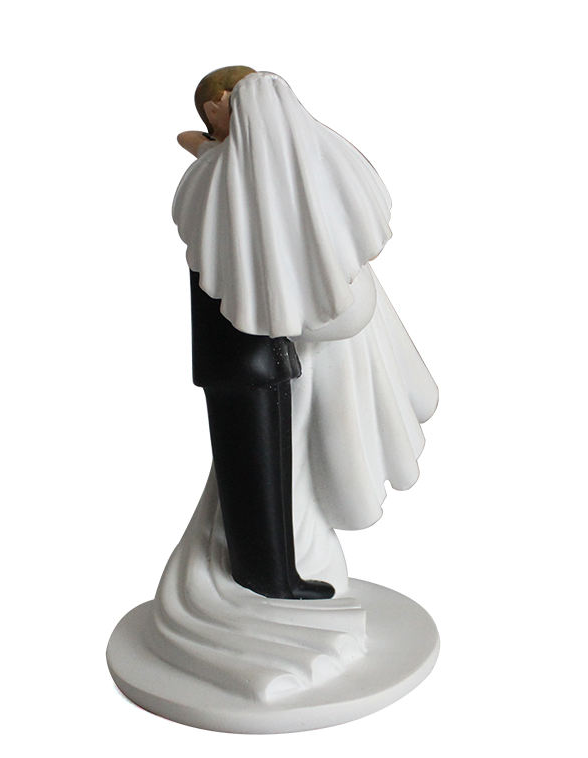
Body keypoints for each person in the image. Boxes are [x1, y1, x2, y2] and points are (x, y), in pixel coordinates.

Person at [147, 69, 437, 698]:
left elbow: (215, 165)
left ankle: (279, 573)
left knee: (273, 468)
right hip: (242, 357)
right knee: (255, 471)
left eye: (214, 110)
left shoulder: (230, 180)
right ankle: (268, 576)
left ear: (222, 108)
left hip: (266, 356)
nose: (209, 123)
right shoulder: (236, 182)